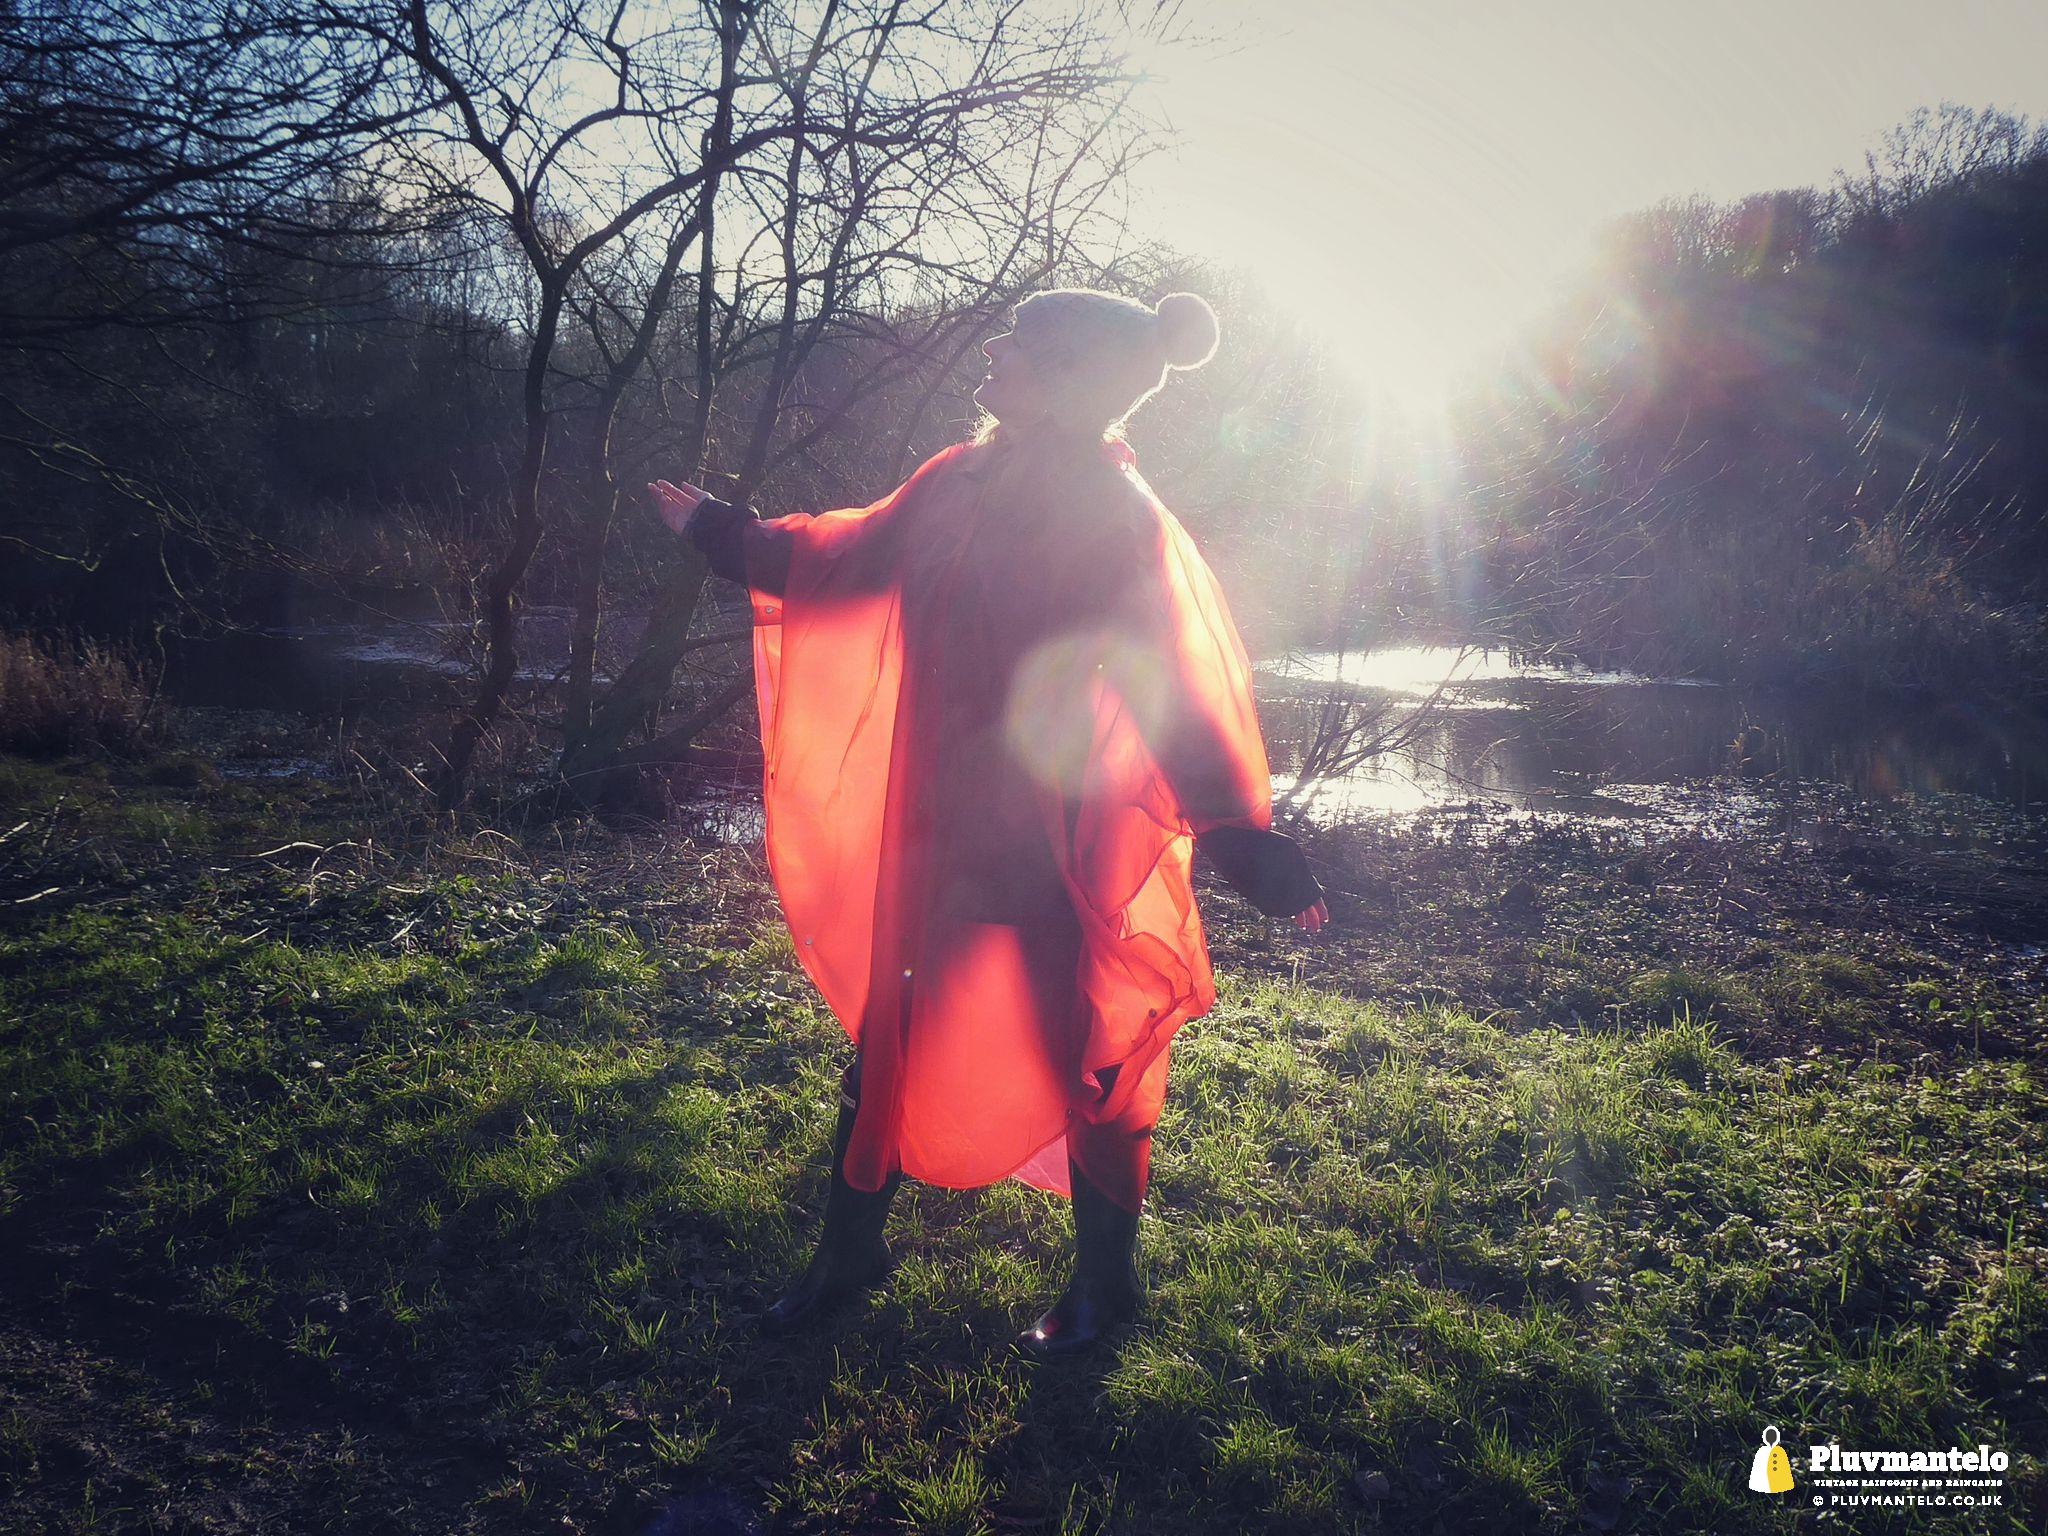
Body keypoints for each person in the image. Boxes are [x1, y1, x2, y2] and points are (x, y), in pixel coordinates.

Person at [648, 288, 1328, 1358]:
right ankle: (847, 1257)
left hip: (1049, 839)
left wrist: (1234, 834)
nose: (996, 348)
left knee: (1084, 1056)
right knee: (891, 1036)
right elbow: (847, 560)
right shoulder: (953, 479)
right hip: (932, 829)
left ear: (1066, 380)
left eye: (1023, 341)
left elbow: (1163, 683)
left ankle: (1105, 1288)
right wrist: (726, 534)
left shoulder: (1112, 516)